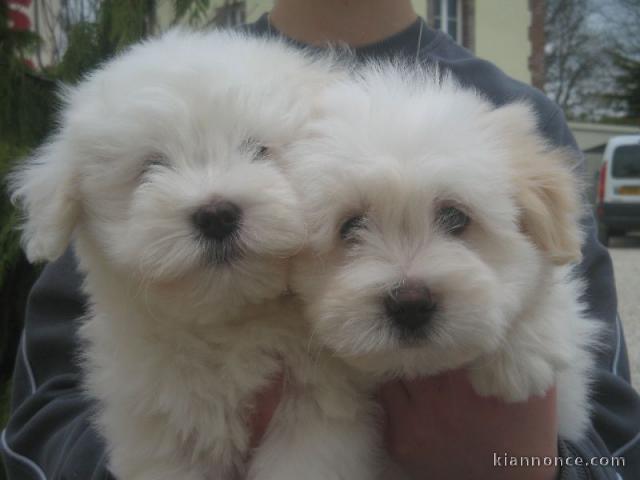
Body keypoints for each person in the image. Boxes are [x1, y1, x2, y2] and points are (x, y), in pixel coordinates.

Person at [2, 1, 639, 479]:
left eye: (454, 219)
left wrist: (521, 462)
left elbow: (616, 446)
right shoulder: (145, 96)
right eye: (352, 228)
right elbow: (39, 423)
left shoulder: (509, 112)